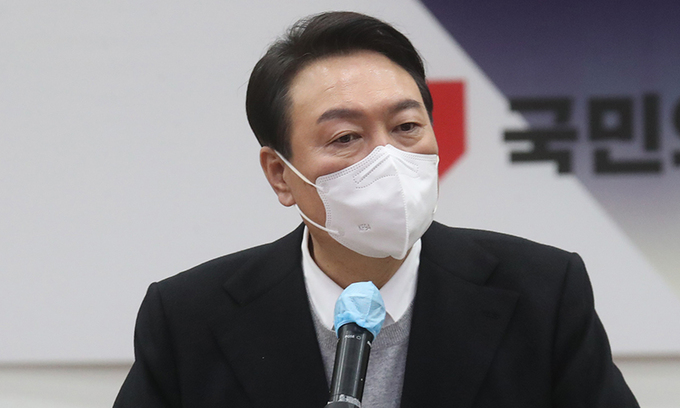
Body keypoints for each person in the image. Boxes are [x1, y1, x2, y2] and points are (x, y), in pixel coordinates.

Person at [114, 11, 639, 408]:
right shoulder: (188, 318)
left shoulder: (542, 292)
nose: (387, 158)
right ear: (280, 174)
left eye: (407, 127)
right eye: (346, 137)